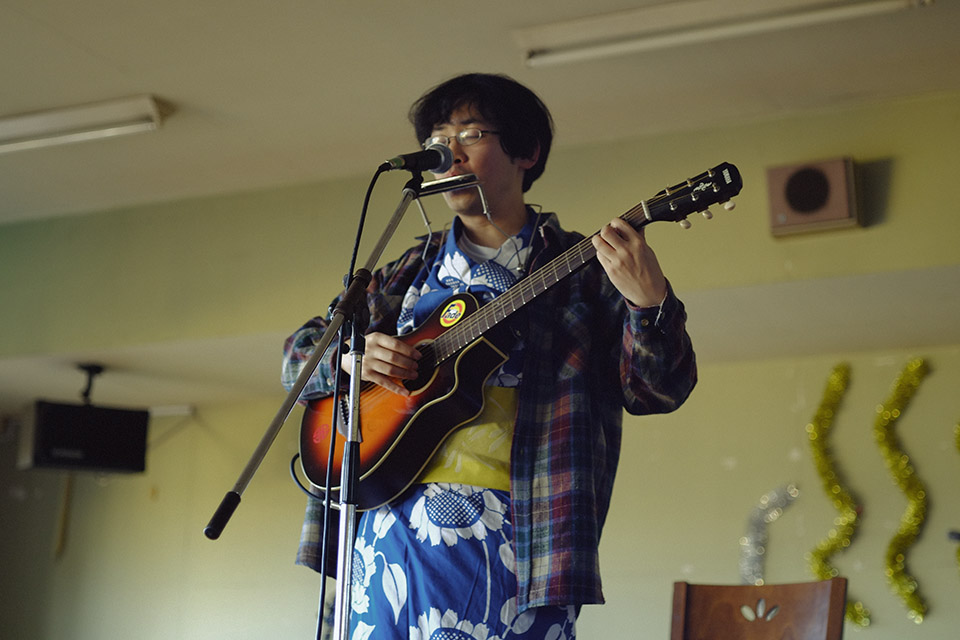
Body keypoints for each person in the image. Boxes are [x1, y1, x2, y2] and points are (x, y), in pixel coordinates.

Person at [282, 72, 697, 639]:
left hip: (521, 535)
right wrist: (352, 359)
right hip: (386, 526)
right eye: (437, 140)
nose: (448, 153)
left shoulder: (583, 271)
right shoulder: (404, 273)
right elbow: (298, 355)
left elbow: (658, 389)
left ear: (527, 152)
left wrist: (649, 304)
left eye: (471, 134)